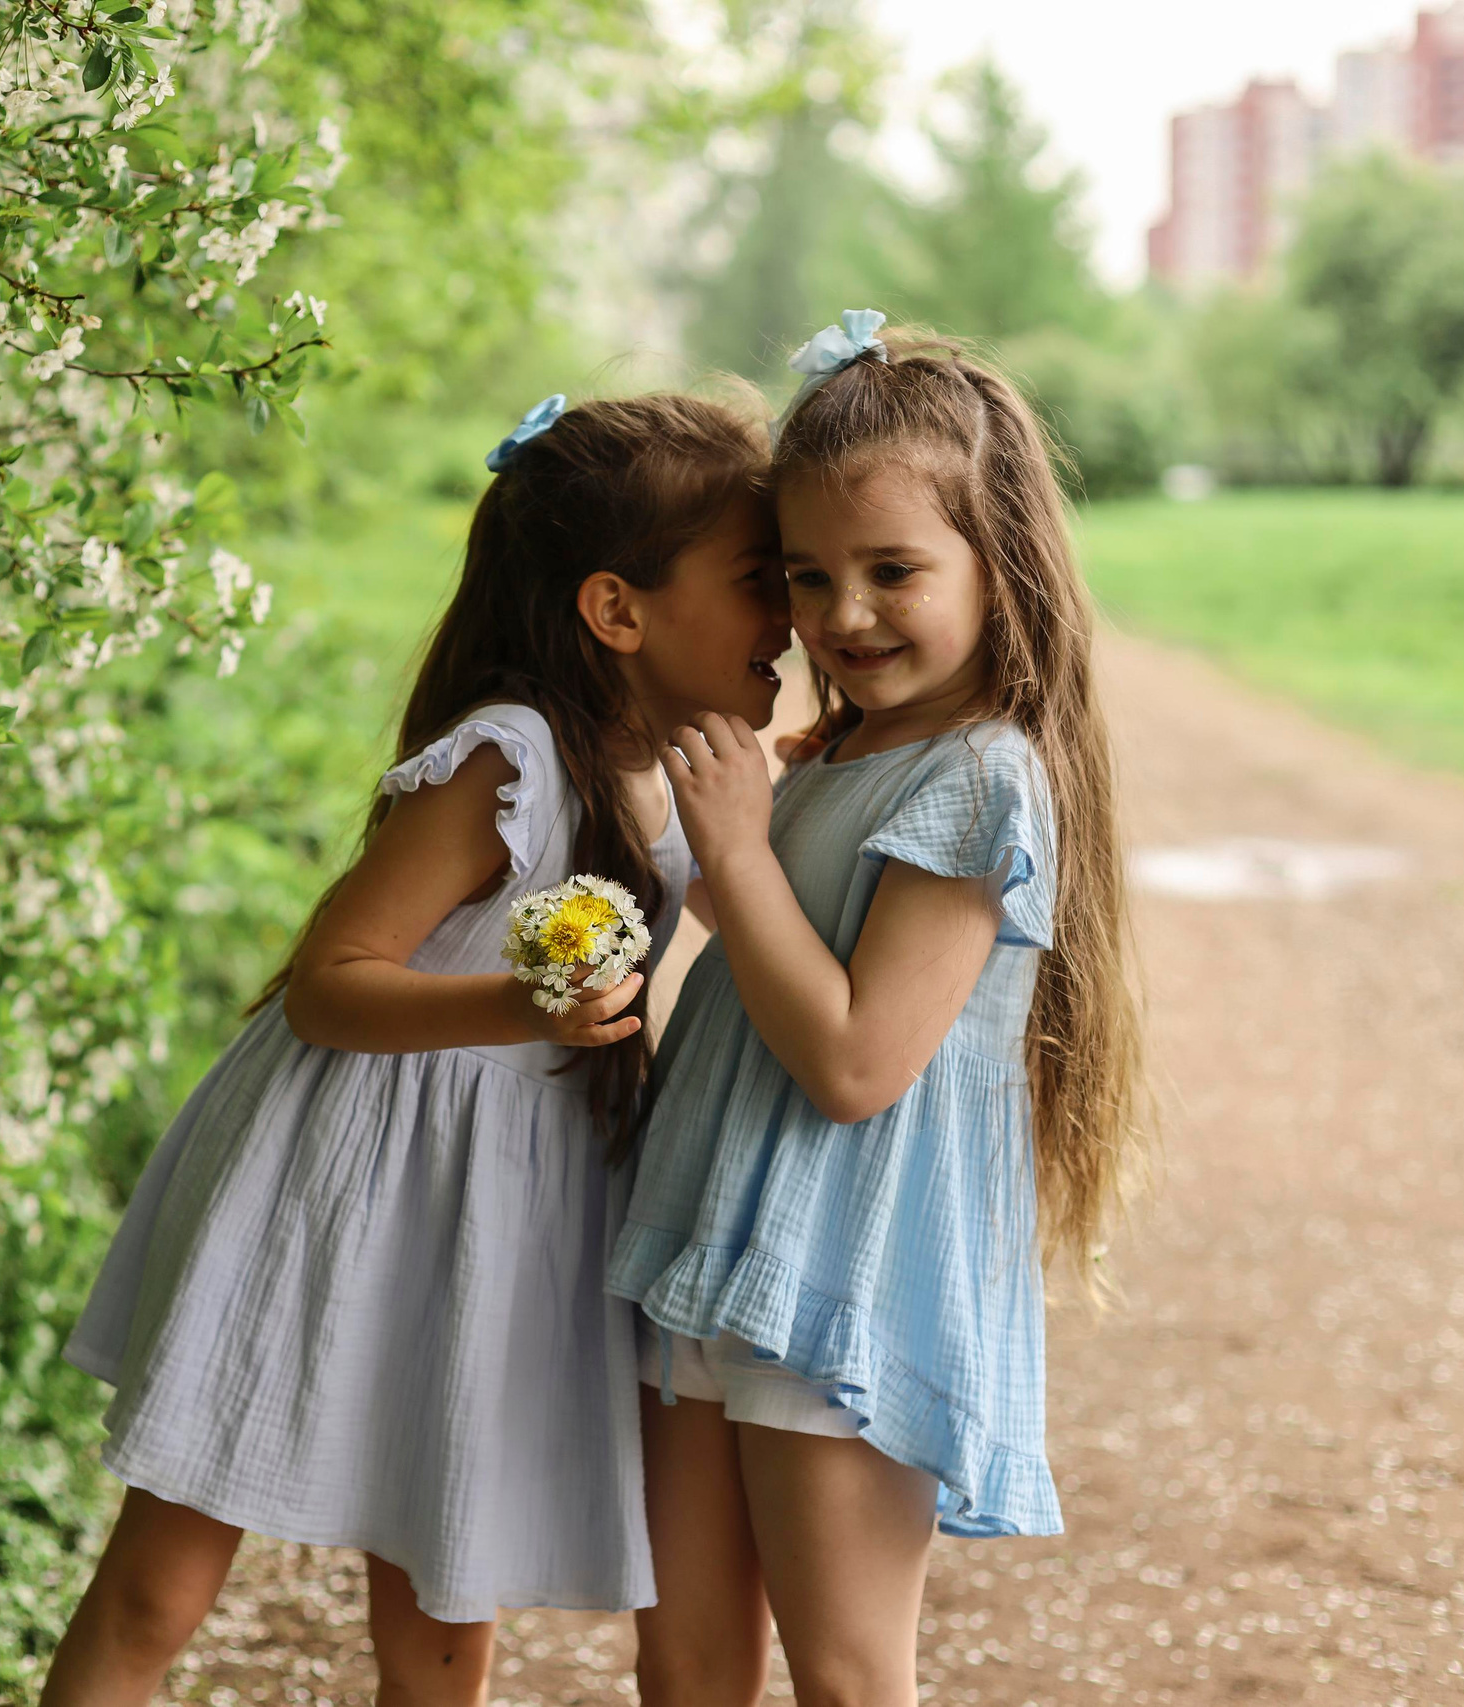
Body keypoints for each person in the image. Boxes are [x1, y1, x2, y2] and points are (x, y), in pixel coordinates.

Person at [43, 391, 792, 1707]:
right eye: (756, 580)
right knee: (165, 1580)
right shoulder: (503, 766)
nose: (787, 614)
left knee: (447, 1607)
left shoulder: (682, 775)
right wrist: (512, 1009)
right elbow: (332, 984)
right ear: (617, 610)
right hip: (343, 1179)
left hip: (507, 1211)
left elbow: (754, 920)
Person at [611, 313, 1148, 1707]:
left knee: (848, 1676)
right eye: (808, 576)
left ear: (1000, 563)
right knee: (682, 1663)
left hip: (847, 1269)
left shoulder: (981, 778)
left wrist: (740, 850)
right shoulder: (852, 748)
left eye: (894, 570)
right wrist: (741, 830)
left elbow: (856, 1059)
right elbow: (779, 964)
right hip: (716, 1240)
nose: (843, 617)